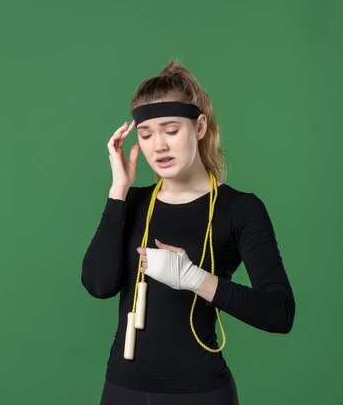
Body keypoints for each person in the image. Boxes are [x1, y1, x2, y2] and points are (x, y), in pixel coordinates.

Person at [81, 59, 295, 405]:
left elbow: (280, 313)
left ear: (199, 127)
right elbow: (98, 285)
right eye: (147, 134)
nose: (158, 146)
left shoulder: (239, 209)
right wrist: (118, 190)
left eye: (171, 130)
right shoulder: (132, 202)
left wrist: (193, 278)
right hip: (123, 390)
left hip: (202, 393)